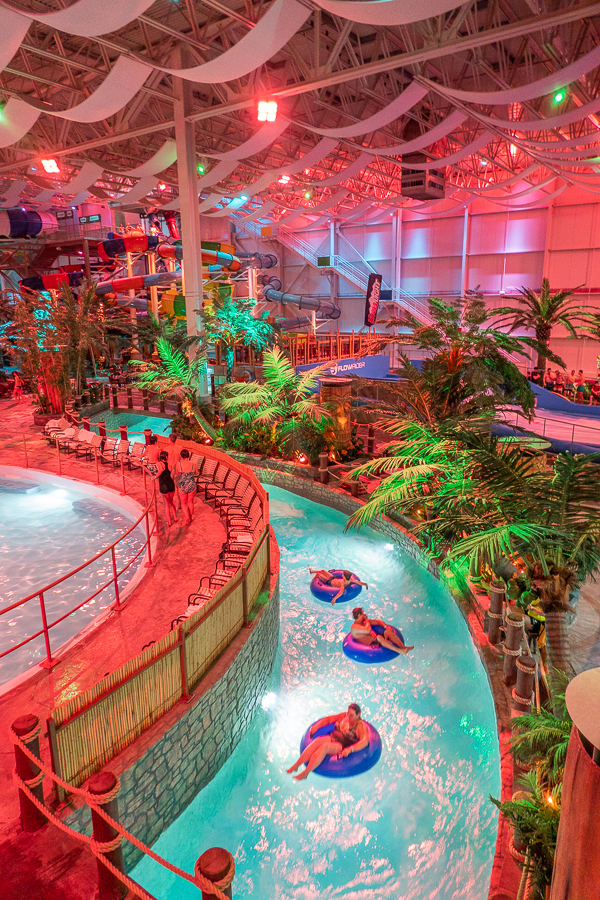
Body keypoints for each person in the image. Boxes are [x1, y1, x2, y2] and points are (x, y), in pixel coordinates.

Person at [286, 704, 369, 781]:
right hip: (333, 737)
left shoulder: (359, 726)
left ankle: (305, 773)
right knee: (317, 741)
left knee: (324, 747)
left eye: (351, 715)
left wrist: (350, 749)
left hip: (341, 745)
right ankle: (296, 765)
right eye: (348, 713)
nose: (348, 716)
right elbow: (329, 720)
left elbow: (365, 741)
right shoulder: (344, 716)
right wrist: (317, 727)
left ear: (358, 715)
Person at [149, 450, 177, 526]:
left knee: (166, 504)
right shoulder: (170, 465)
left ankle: (169, 522)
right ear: (167, 457)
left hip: (163, 485)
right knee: (172, 501)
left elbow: (161, 470)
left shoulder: (158, 463)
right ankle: (175, 517)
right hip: (171, 483)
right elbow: (172, 475)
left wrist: (155, 477)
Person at [174, 448, 197, 525]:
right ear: (189, 455)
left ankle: (187, 517)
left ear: (181, 456)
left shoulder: (178, 464)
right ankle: (190, 518)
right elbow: (196, 473)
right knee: (190, 502)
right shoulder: (193, 464)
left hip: (182, 485)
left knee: (183, 503)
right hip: (192, 484)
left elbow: (178, 473)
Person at [167, 432, 181, 510]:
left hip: (170, 469)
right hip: (177, 468)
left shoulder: (166, 449)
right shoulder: (180, 448)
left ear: (170, 439)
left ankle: (170, 502)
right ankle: (179, 503)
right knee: (178, 487)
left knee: (170, 488)